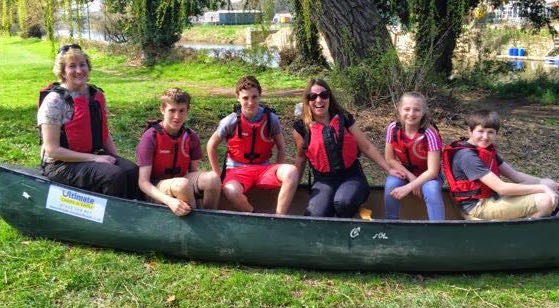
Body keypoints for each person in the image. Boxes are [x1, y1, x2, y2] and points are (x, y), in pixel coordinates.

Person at [37, 44, 140, 199]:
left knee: (131, 170)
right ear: (63, 72)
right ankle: (112, 219)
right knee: (113, 175)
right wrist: (96, 159)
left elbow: (103, 133)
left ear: (88, 67)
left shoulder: (96, 95)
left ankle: (137, 213)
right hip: (60, 165)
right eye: (72, 66)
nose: (79, 71)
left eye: (82, 65)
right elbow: (53, 150)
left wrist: (117, 159)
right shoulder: (55, 101)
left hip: (91, 156)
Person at [292, 79, 404, 218]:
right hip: (323, 181)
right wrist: (293, 184)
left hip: (351, 176)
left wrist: (389, 168)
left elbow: (366, 146)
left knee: (344, 202)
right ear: (307, 101)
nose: (319, 100)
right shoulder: (301, 128)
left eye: (324, 95)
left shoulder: (344, 119)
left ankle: (352, 221)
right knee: (315, 214)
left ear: (329, 97)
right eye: (313, 97)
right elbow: (301, 158)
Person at [443, 110, 559, 220]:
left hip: (492, 199)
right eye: (481, 131)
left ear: (496, 134)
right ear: (470, 131)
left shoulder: (485, 150)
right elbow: (502, 188)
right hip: (477, 208)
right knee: (546, 200)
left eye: (490, 132)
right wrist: (542, 188)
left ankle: (522, 219)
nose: (485, 137)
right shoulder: (467, 156)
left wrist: (548, 184)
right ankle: (521, 235)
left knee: (548, 184)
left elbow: (516, 176)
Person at [206, 76, 298, 214]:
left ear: (260, 96)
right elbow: (211, 145)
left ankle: (280, 217)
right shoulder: (230, 121)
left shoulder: (271, 119)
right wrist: (218, 175)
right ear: (238, 97)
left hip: (264, 169)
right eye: (245, 98)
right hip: (236, 170)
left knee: (292, 171)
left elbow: (281, 147)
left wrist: (277, 167)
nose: (250, 102)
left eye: (254, 97)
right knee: (230, 191)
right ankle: (253, 215)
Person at [136, 88, 221, 216]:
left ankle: (210, 217)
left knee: (213, 178)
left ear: (187, 111)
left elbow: (194, 172)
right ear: (162, 110)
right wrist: (169, 201)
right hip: (156, 189)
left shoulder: (191, 136)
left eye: (182, 111)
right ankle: (196, 223)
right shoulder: (150, 137)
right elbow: (143, 182)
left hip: (182, 183)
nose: (177, 116)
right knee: (182, 185)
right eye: (172, 110)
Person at [383, 92, 445, 220]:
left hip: (428, 176)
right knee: (391, 184)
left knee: (431, 189)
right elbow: (390, 159)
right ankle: (390, 223)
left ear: (423, 112)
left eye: (416, 110)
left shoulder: (430, 134)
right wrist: (411, 178)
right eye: (407, 109)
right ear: (400, 110)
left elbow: (433, 172)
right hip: (406, 172)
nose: (411, 114)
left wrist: (410, 186)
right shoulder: (393, 128)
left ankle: (438, 228)